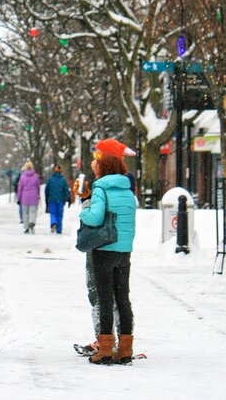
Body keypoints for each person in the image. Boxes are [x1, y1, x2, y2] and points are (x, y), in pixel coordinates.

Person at [79, 139, 137, 365]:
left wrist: (84, 207)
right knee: (123, 299)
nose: (94, 163)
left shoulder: (101, 188)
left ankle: (104, 349)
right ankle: (125, 349)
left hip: (105, 249)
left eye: (97, 160)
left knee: (105, 299)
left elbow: (94, 217)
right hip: (124, 250)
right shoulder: (127, 189)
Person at [45, 164, 71, 234]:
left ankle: (53, 222)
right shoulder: (63, 180)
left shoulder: (50, 179)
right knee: (60, 215)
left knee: (53, 213)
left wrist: (47, 199)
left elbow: (46, 190)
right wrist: (68, 198)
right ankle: (59, 229)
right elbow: (66, 190)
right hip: (60, 200)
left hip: (52, 199)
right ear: (61, 171)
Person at [17, 161, 41, 234]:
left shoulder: (23, 176)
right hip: (34, 196)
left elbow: (20, 188)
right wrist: (38, 195)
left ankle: (26, 227)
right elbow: (38, 186)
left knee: (25, 213)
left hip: (25, 196)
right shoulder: (36, 176)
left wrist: (19, 197)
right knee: (33, 211)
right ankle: (31, 222)